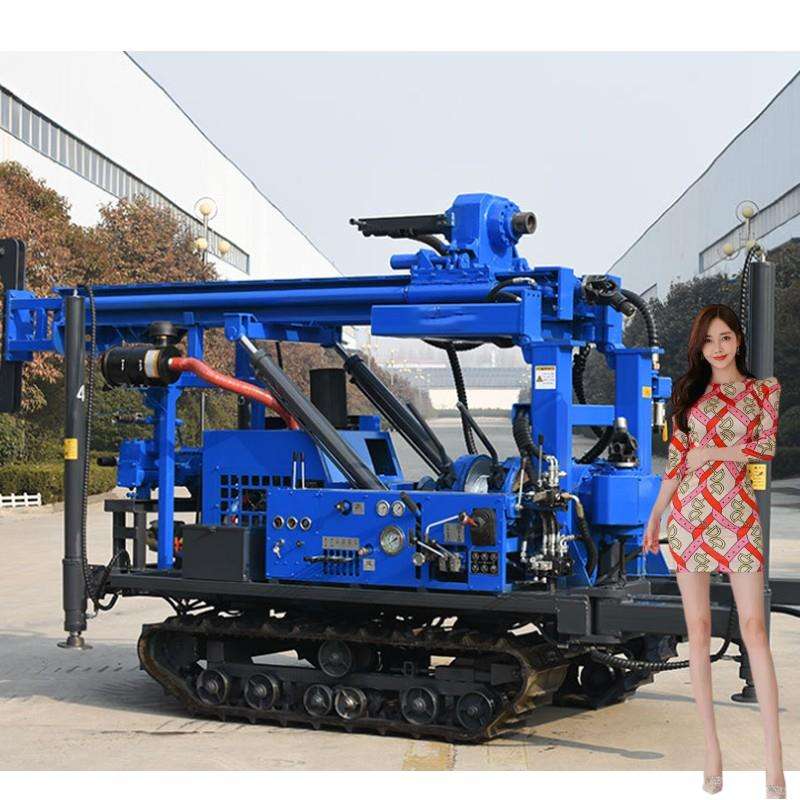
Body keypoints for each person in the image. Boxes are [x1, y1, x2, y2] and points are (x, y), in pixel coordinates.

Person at [642, 303, 785, 799]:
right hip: (690, 517)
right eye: (708, 340)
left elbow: (765, 447)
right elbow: (677, 462)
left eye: (725, 338)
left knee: (754, 629)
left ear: (738, 340)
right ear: (699, 347)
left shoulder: (762, 391)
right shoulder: (689, 393)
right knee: (698, 631)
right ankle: (712, 751)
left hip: (738, 516)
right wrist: (656, 514)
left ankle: (774, 760)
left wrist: (714, 451)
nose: (717, 348)